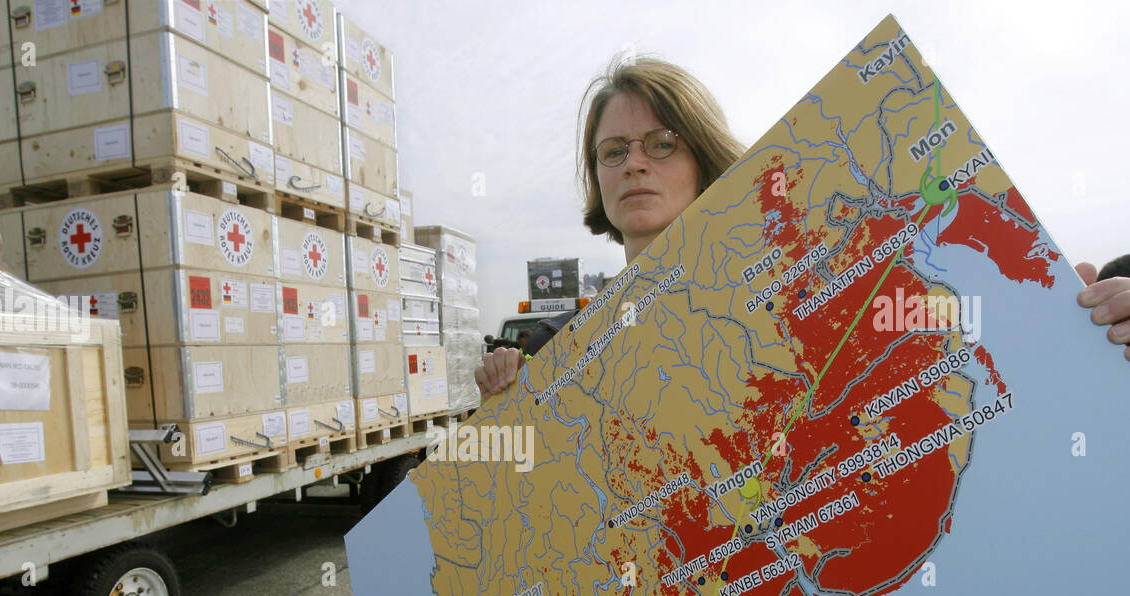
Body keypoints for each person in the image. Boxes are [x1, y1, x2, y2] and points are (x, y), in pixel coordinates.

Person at [475, 56, 1130, 398]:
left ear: (705, 157)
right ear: (597, 178)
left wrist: (1081, 335)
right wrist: (503, 417)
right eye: (613, 151)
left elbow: (957, 371)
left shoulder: (801, 301)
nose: (635, 163)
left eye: (662, 142)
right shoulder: (556, 354)